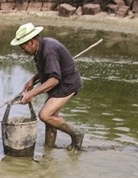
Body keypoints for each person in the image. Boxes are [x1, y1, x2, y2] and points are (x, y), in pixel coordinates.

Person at [11, 23, 85, 151]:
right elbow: (47, 69)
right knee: (51, 118)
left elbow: (54, 79)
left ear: (32, 42)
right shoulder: (40, 48)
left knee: (45, 115)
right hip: (59, 83)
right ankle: (49, 149)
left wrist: (31, 93)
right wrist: (33, 80)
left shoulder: (48, 50)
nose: (22, 51)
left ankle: (76, 134)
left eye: (23, 47)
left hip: (67, 84)